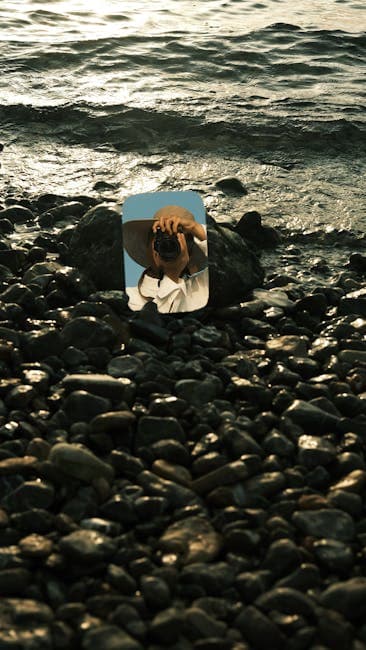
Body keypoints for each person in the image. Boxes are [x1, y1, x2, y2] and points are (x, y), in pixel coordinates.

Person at [123, 204, 209, 313]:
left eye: (176, 238)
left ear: (190, 250)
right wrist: (172, 275)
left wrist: (196, 229)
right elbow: (156, 323)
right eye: (160, 238)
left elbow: (232, 259)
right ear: (148, 246)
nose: (168, 244)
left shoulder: (205, 286)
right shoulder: (129, 298)